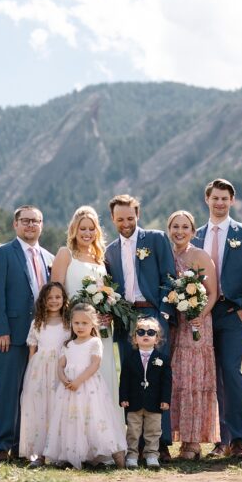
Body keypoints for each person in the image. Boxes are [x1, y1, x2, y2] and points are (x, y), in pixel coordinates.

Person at [192, 178, 242, 459]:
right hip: (203, 315)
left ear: (232, 201)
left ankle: (237, 441)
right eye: (215, 198)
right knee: (210, 377)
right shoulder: (195, 235)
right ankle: (218, 440)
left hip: (233, 313)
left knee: (231, 373)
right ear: (206, 200)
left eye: (225, 198)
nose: (219, 203)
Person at [104, 194, 176, 461]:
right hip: (126, 318)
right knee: (133, 378)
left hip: (153, 314)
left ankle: (162, 443)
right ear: (113, 219)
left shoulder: (155, 239)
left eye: (130, 218)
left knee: (158, 375)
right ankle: (137, 444)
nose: (126, 223)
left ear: (138, 215)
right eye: (120, 219)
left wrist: (165, 315)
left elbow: (169, 276)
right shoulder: (110, 250)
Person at [0, 205, 54, 461]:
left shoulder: (48, 257)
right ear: (15, 225)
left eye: (36, 221)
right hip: (11, 335)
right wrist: (0, 329)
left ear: (41, 225)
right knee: (7, 390)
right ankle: (0, 446)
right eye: (25, 221)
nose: (31, 225)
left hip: (42, 337)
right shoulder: (2, 253)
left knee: (33, 392)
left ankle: (23, 447)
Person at [51, 206, 120, 415]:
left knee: (102, 372)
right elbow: (56, 292)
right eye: (83, 229)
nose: (87, 233)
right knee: (78, 373)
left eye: (91, 229)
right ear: (74, 230)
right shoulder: (66, 254)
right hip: (75, 329)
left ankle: (105, 431)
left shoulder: (100, 258)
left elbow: (106, 291)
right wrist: (75, 318)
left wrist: (107, 310)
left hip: (101, 330)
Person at [43, 304, 128, 469]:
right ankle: (75, 454)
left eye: (84, 323)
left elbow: (94, 365)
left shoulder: (95, 342)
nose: (80, 327)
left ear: (93, 324)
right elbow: (60, 366)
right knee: (73, 419)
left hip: (88, 388)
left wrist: (78, 381)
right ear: (71, 324)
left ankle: (116, 456)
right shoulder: (68, 344)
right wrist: (64, 379)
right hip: (69, 390)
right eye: (76, 323)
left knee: (95, 418)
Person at [166, 210, 219, 460]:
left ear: (193, 231)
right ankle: (179, 438)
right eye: (175, 226)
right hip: (174, 325)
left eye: (184, 227)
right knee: (178, 380)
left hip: (197, 325)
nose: (179, 231)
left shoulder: (199, 255)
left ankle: (194, 442)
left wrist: (200, 314)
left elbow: (212, 292)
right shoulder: (167, 256)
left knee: (194, 381)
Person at [19, 282, 71, 466]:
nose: (54, 301)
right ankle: (39, 453)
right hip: (40, 370)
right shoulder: (38, 322)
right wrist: (31, 373)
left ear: (64, 299)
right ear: (43, 300)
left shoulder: (68, 322)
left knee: (58, 408)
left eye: (57, 297)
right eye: (49, 298)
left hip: (60, 369)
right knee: (40, 409)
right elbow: (32, 349)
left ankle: (60, 453)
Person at [119, 316, 173, 469]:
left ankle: (151, 455)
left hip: (155, 403)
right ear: (135, 338)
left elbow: (167, 382)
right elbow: (124, 380)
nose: (145, 335)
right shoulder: (129, 359)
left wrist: (165, 400)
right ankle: (132, 455)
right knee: (133, 431)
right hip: (134, 402)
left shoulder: (162, 359)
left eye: (150, 332)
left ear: (157, 339)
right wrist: (123, 397)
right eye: (141, 332)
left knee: (153, 431)